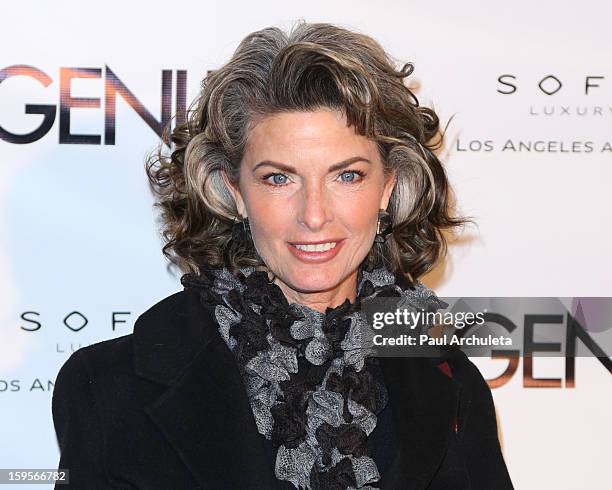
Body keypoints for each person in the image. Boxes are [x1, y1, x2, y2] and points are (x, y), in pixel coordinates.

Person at [52, 21, 514, 489]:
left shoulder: (448, 381)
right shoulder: (107, 389)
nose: (314, 215)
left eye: (347, 176)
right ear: (232, 190)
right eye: (279, 178)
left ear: (388, 186)